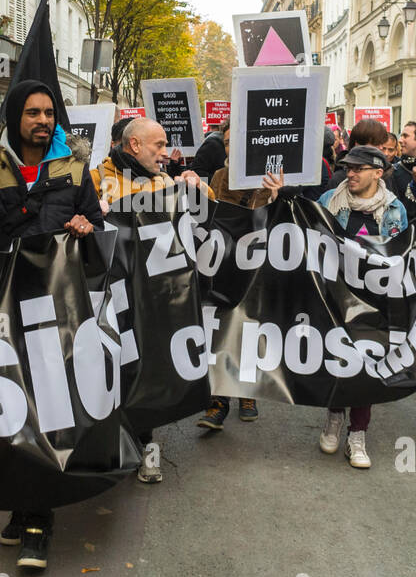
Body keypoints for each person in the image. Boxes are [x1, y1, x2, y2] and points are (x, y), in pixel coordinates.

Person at [0, 80, 103, 568]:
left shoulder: (75, 170)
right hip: (4, 311)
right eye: (33, 112)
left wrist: (86, 228)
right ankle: (19, 505)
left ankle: (38, 519)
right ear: (15, 117)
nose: (43, 120)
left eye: (49, 112)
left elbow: (99, 232)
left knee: (47, 409)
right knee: (11, 410)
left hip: (56, 312)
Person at [91, 116, 214, 480]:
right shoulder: (98, 180)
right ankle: (114, 444)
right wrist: (88, 214)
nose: (166, 153)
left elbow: (207, 219)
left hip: (152, 299)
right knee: (115, 368)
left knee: (146, 366)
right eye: (158, 146)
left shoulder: (165, 182)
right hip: (111, 298)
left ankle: (146, 446)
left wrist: (198, 189)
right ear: (134, 146)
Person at [309, 145, 408, 467]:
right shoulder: (329, 201)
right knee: (339, 360)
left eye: (358, 169)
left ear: (378, 173)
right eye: (347, 168)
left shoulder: (394, 210)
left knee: (368, 364)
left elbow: (400, 255)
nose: (349, 174)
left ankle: (358, 433)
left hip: (374, 302)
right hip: (335, 297)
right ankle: (335, 416)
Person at [197, 121, 281, 430]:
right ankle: (217, 402)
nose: (230, 147)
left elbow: (280, 220)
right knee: (220, 327)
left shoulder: (271, 179)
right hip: (225, 263)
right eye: (227, 142)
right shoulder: (220, 176)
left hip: (257, 264)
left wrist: (275, 197)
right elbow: (213, 216)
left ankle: (247, 392)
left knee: (249, 326)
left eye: (236, 142)